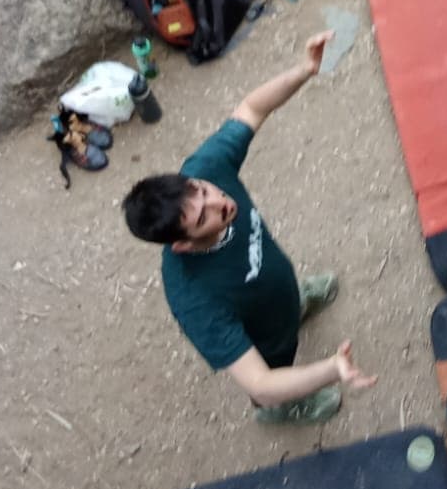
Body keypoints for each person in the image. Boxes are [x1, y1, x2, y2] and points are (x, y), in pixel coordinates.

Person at [122, 32, 377, 425]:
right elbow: (260, 382)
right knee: (277, 367)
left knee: (284, 296)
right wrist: (332, 370)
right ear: (183, 247)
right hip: (266, 339)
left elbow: (251, 109)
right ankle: (282, 412)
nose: (221, 203)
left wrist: (305, 69)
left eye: (204, 193)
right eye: (203, 218)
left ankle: (295, 304)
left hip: (275, 291)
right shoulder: (194, 299)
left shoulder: (205, 172)